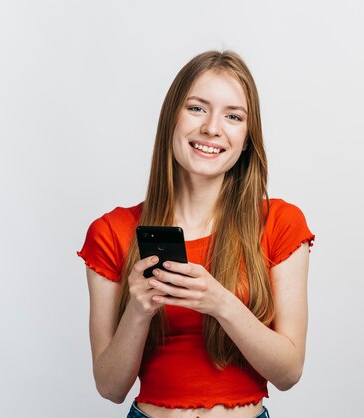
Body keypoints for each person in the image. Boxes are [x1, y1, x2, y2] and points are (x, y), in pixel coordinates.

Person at [78, 50, 314, 418]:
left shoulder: (280, 223)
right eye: (197, 108)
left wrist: (220, 303)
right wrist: (139, 311)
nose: (212, 128)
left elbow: (288, 372)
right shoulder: (112, 232)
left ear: (247, 137)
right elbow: (110, 387)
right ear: (171, 117)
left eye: (233, 116)